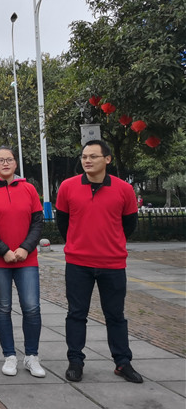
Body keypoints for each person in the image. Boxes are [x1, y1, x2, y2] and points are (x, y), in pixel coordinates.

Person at [55, 139, 142, 384]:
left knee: (115, 315)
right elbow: (63, 223)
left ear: (107, 159)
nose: (87, 160)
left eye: (93, 156)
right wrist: (78, 243)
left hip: (112, 264)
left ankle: (122, 362)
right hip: (78, 263)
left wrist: (110, 243)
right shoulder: (68, 187)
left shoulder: (124, 189)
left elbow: (129, 225)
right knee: (76, 314)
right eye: (84, 156)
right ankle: (75, 361)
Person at [0, 146, 46, 378]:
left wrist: (25, 248)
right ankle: (9, 356)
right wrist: (4, 250)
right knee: (3, 307)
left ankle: (32, 356)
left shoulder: (29, 188)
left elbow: (37, 222)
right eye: (0, 160)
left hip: (27, 259)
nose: (5, 163)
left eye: (9, 159)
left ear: (15, 163)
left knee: (32, 307)